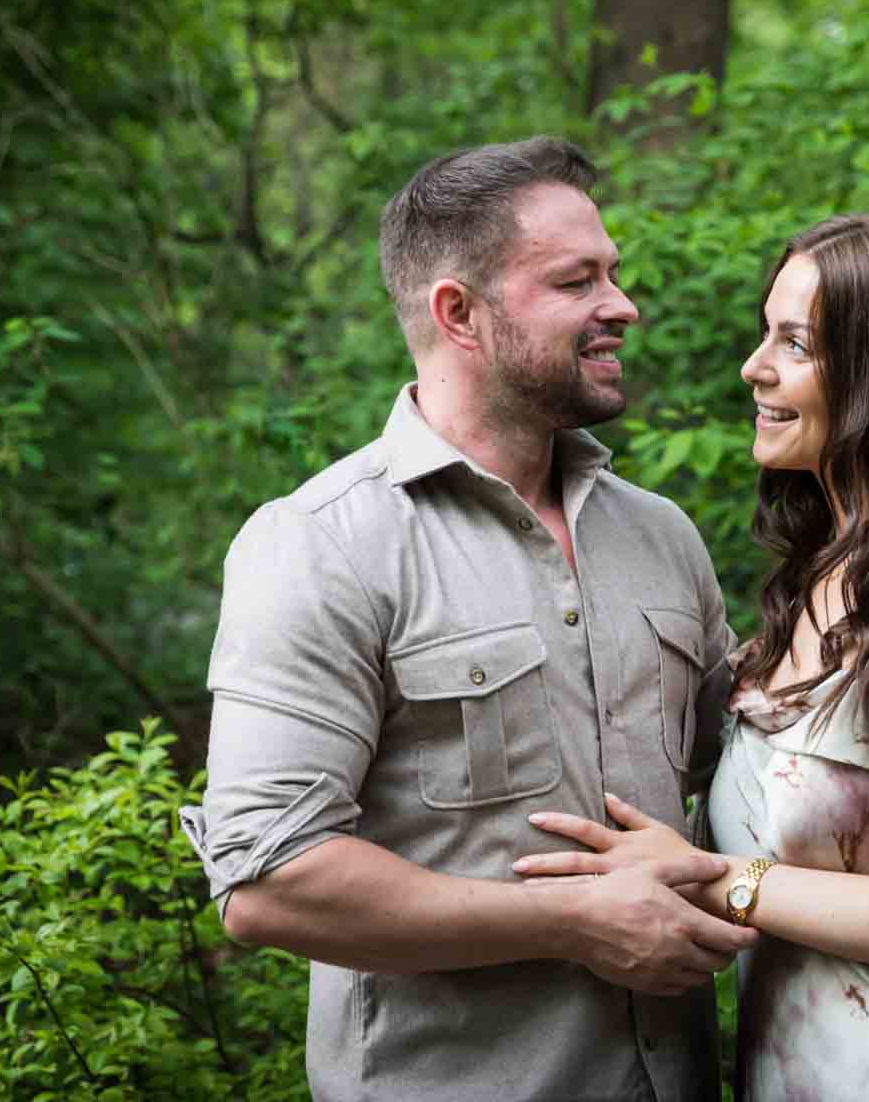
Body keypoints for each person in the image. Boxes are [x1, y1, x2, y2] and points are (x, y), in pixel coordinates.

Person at [179, 135, 757, 1102]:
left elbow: (757, 782)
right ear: (460, 314)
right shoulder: (321, 545)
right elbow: (269, 881)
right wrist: (572, 921)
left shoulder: (662, 537)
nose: (623, 305)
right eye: (578, 281)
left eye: (614, 274)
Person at [513, 213, 869, 1100]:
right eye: (764, 333)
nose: (755, 367)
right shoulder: (829, 570)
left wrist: (715, 882)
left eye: (797, 343)